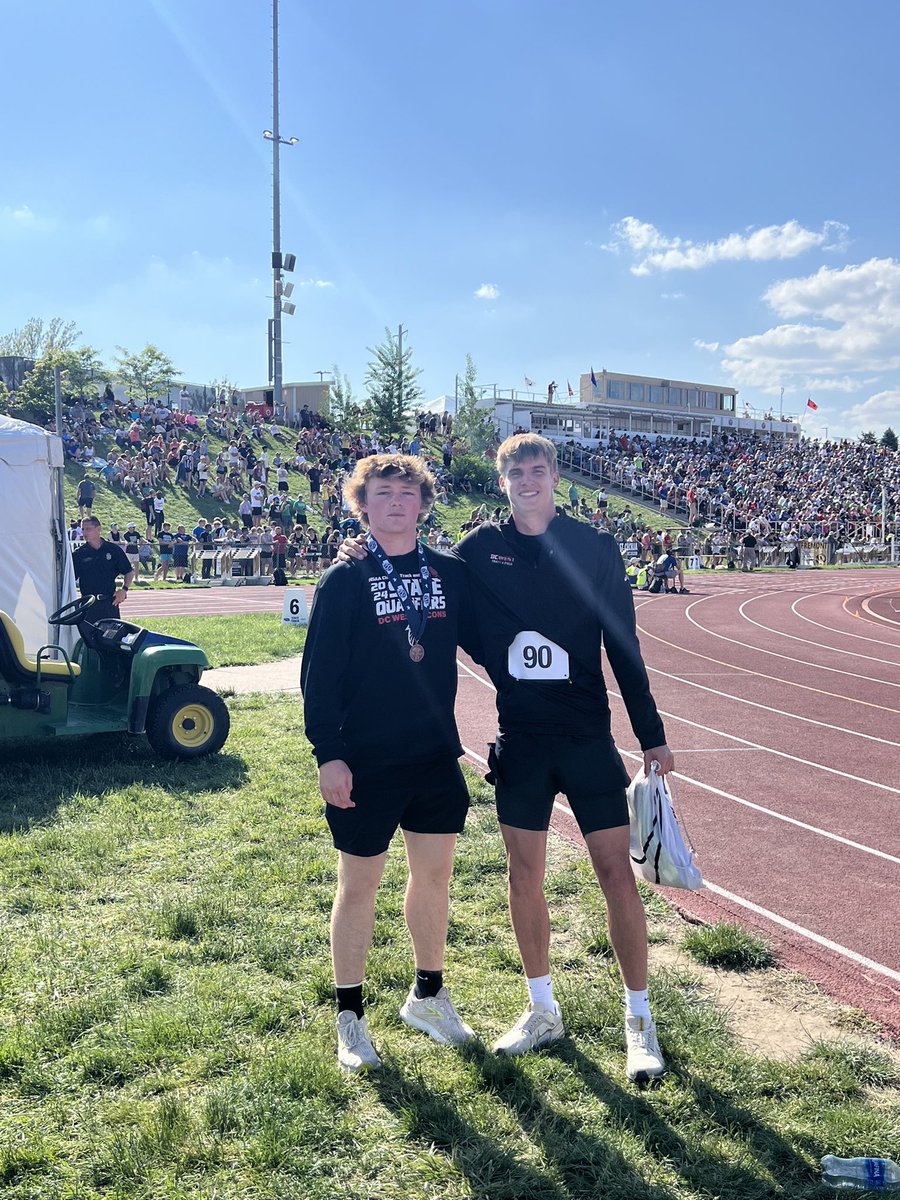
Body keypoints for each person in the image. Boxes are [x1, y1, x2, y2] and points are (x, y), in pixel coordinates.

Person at [338, 434, 676, 1083]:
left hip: (585, 738)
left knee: (615, 873)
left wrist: (651, 734)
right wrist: (365, 550)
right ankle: (541, 1009)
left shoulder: (594, 547)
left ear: (554, 476)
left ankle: (639, 1021)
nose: (527, 478)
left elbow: (623, 645)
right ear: (503, 482)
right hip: (520, 740)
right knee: (524, 875)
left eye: (538, 469)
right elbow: (426, 579)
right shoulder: (475, 554)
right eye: (515, 470)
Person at [301, 454, 480, 1074]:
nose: (397, 502)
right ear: (363, 504)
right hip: (366, 759)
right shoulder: (344, 579)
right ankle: (349, 1015)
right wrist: (330, 754)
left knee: (433, 878)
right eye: (384, 493)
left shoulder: (450, 574)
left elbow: (491, 640)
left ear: (424, 504)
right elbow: (319, 676)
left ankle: (428, 995)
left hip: (433, 755)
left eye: (408, 492)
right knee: (360, 885)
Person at [71, 516, 134, 628]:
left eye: (88, 529)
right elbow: (70, 580)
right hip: (88, 605)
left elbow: (128, 571)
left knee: (112, 639)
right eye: (83, 529)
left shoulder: (112, 550)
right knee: (90, 641)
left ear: (98, 529)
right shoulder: (79, 554)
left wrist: (124, 590)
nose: (84, 533)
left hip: (109, 603)